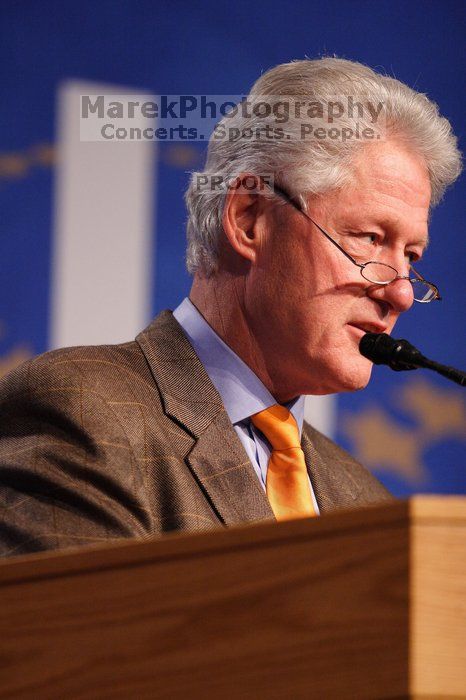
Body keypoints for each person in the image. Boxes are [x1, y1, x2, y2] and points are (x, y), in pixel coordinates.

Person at [0, 58, 461, 557]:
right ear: (249, 220)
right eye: (370, 238)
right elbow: (74, 634)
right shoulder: (86, 413)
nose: (400, 293)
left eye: (411, 257)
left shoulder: (364, 500)